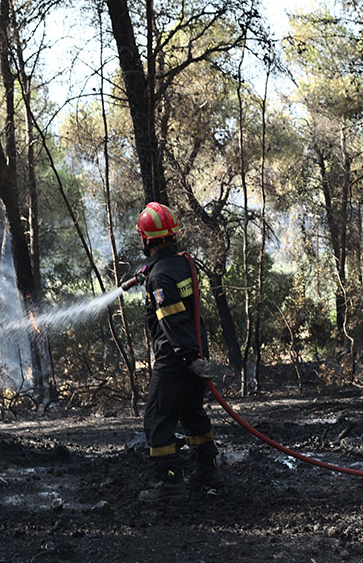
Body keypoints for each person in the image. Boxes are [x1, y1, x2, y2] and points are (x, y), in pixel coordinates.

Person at [134, 201, 224, 502]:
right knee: (190, 410)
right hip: (194, 350)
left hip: (176, 358)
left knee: (157, 418)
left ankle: (170, 482)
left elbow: (172, 318)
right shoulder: (183, 262)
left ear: (146, 239)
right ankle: (208, 468)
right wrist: (196, 357)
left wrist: (188, 359)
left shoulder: (159, 276)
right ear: (171, 235)